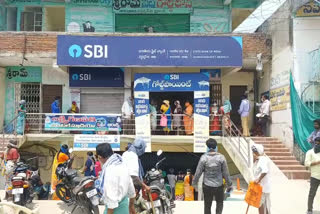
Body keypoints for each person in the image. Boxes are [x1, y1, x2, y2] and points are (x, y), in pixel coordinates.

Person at [193, 138, 232, 214]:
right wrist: (229, 184)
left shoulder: (203, 158)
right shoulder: (221, 157)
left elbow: (198, 172)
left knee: (207, 205)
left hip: (207, 185)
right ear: (216, 147)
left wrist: (194, 183)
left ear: (207, 147)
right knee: (219, 204)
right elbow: (226, 173)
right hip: (219, 185)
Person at [95, 143, 136, 214]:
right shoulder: (122, 163)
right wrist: (131, 206)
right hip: (125, 205)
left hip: (115, 209)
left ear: (100, 157)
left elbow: (111, 200)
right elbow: (131, 186)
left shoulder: (110, 170)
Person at [251, 144, 271, 214]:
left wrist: (259, 179)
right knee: (262, 205)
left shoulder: (263, 159)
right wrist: (254, 160)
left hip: (263, 187)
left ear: (259, 152)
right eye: (253, 152)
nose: (253, 154)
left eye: (255, 152)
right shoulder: (258, 160)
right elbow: (256, 171)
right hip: (260, 187)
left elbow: (265, 171)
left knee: (262, 205)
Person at [305, 137, 320, 214]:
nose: (318, 144)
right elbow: (306, 164)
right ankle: (310, 209)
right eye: (316, 142)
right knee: (312, 193)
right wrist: (317, 163)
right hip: (315, 176)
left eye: (319, 142)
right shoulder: (310, 152)